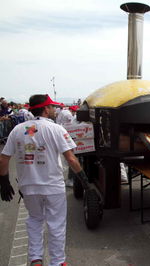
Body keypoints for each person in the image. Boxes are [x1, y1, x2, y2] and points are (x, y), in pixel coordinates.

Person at [0, 94, 95, 266]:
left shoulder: (17, 130)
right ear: (45, 109)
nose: (54, 110)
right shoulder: (56, 129)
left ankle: (36, 259)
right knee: (56, 224)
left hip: (28, 187)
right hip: (53, 186)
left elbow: (3, 159)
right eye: (51, 107)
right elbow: (72, 159)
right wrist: (86, 183)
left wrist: (4, 182)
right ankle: (58, 262)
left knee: (35, 220)